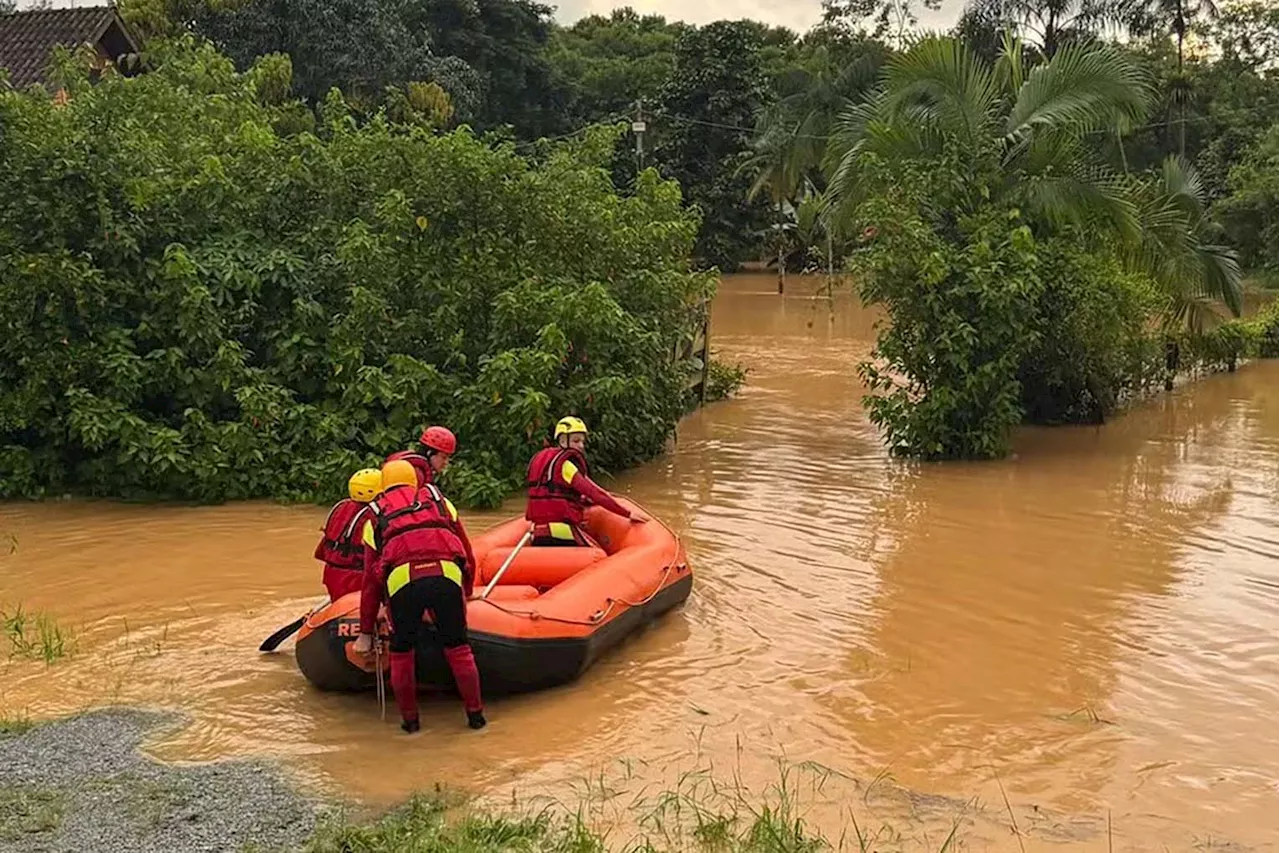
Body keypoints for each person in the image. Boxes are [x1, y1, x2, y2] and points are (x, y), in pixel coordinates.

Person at [352, 452, 486, 732]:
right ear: (414, 480)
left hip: (403, 581)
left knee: (402, 652)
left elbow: (370, 581)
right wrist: (468, 589)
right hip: (447, 574)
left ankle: (411, 724)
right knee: (459, 648)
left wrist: (366, 631)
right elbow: (466, 551)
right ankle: (476, 718)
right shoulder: (440, 502)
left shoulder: (374, 515)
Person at [524, 416, 646, 547]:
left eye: (582, 441)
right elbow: (594, 493)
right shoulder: (567, 467)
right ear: (563, 441)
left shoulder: (547, 463)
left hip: (538, 532)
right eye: (576, 441)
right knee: (599, 556)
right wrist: (627, 513)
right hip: (562, 532)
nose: (581, 446)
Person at [314, 468, 383, 602]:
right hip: (356, 578)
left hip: (331, 574)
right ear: (379, 494)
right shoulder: (373, 515)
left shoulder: (341, 507)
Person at [385, 425, 456, 487]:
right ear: (429, 453)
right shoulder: (417, 474)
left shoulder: (410, 464)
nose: (446, 462)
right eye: (443, 457)